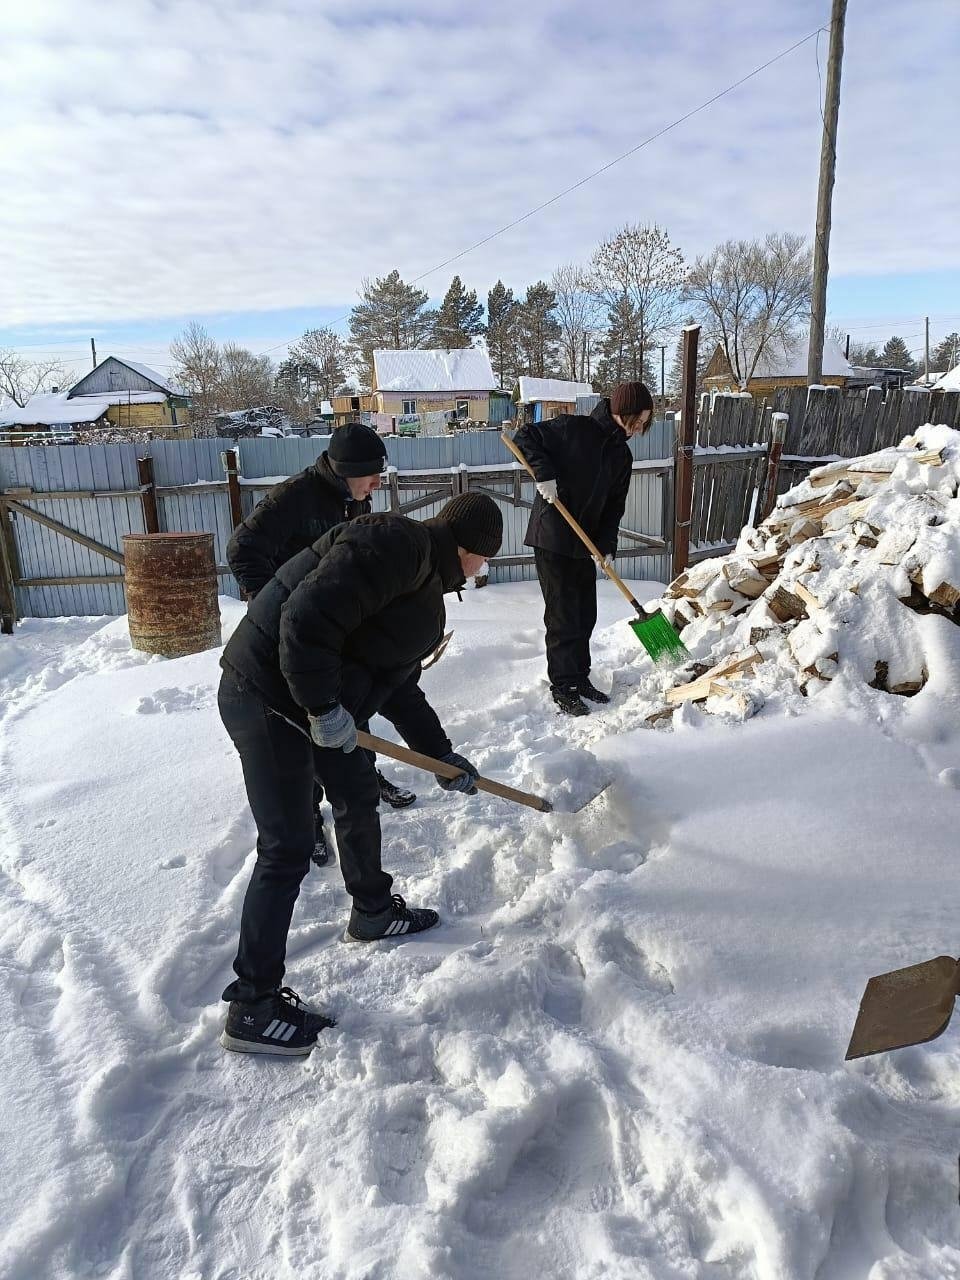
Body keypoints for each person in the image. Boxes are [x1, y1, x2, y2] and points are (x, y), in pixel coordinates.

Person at [217, 492, 504, 1056]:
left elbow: (397, 682)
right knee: (287, 845)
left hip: (314, 700)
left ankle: (372, 911)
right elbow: (303, 619)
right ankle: (252, 1005)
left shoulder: (421, 580)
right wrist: (323, 710)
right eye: (485, 560)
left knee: (354, 788)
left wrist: (441, 756)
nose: (482, 571)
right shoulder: (393, 545)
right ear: (469, 551)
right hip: (267, 695)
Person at [227, 422, 416, 872]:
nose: (376, 485)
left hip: (333, 628)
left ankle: (362, 774)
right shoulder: (297, 497)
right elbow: (242, 548)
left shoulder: (354, 501)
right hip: (289, 633)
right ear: (346, 470)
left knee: (351, 703)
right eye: (370, 476)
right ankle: (309, 813)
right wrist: (274, 603)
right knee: (302, 719)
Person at [514, 382, 654, 716]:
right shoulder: (573, 428)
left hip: (584, 541)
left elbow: (614, 507)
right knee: (563, 617)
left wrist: (606, 546)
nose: (639, 428)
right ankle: (563, 686)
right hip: (553, 537)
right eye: (636, 420)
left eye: (644, 424)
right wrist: (544, 474)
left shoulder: (622, 454)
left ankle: (580, 677)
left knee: (585, 615)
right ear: (622, 411)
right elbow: (524, 436)